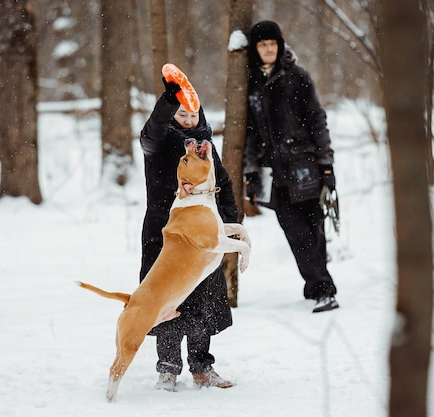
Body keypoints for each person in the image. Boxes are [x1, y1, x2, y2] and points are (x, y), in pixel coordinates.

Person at [139, 76, 236, 391]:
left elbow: (224, 183)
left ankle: (202, 368)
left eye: (193, 115)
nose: (189, 120)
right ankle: (167, 369)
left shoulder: (205, 148)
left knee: (203, 301)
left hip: (204, 232)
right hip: (165, 233)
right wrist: (168, 102)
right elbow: (150, 132)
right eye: (182, 115)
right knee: (166, 298)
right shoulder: (158, 142)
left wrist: (230, 220)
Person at [243, 20, 339, 313]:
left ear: (280, 45)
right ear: (255, 49)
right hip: (275, 172)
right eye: (262, 44)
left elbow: (317, 121)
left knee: (315, 230)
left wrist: (326, 165)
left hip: (305, 165)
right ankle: (323, 288)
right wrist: (251, 171)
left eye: (273, 43)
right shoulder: (249, 85)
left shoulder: (297, 77)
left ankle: (317, 287)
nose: (268, 48)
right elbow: (248, 133)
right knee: (296, 231)